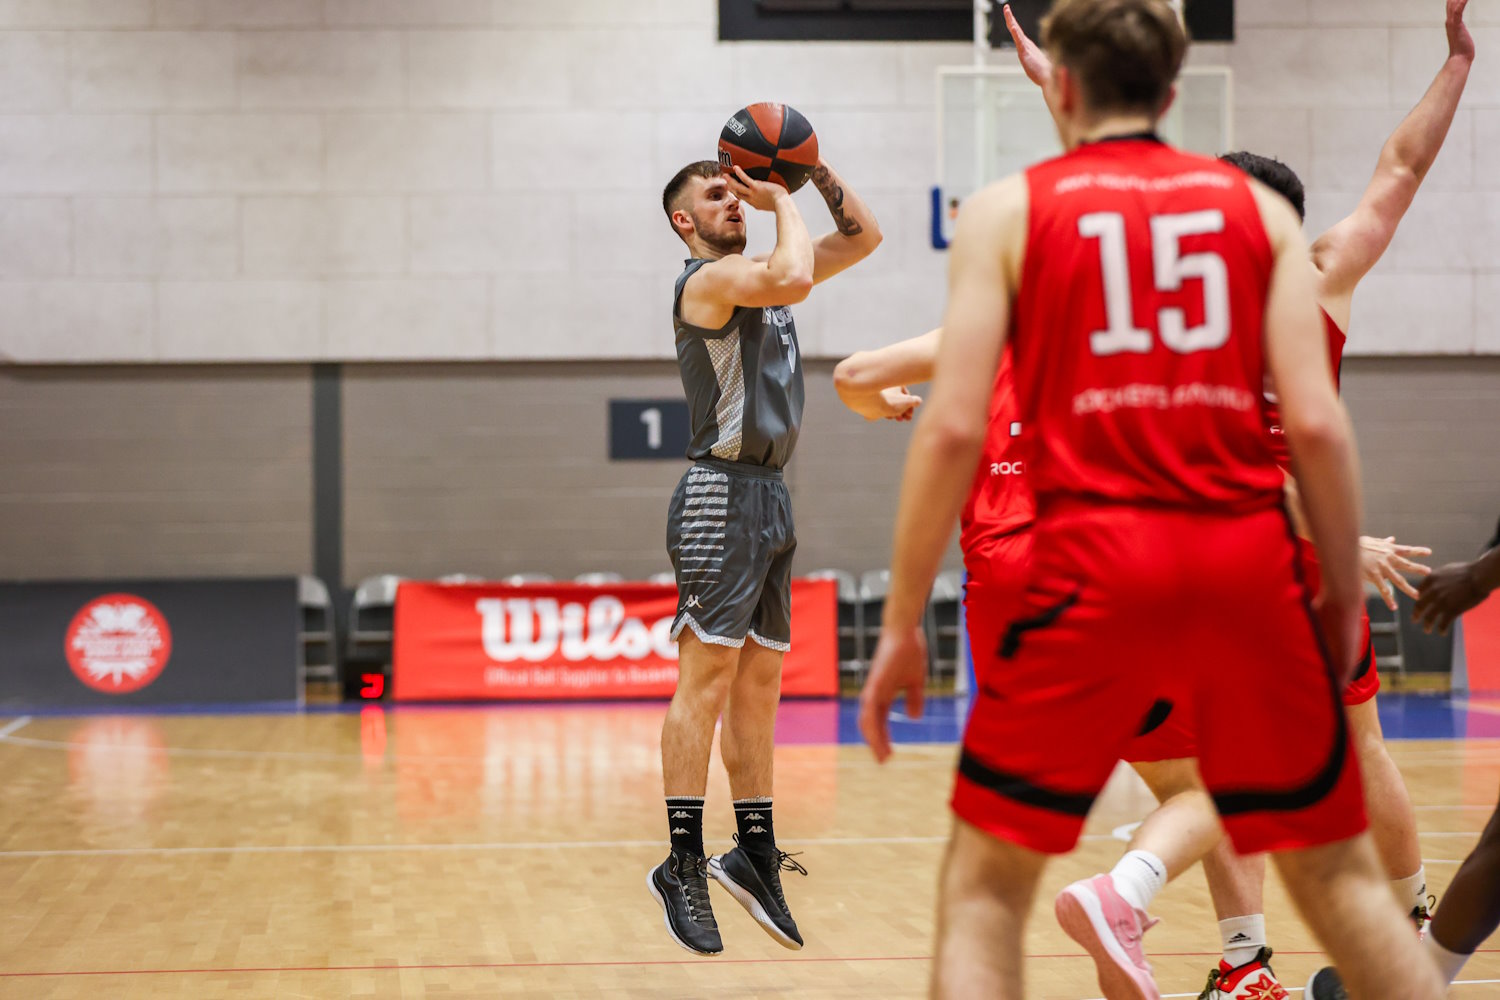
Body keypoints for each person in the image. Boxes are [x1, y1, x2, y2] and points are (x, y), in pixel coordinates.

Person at [857, 1, 1443, 997]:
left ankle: (1222, 950)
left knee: (990, 880)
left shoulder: (1049, 231)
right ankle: (1336, 939)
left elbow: (943, 424)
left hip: (1075, 563)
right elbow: (1311, 432)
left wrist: (903, 618)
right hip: (1226, 559)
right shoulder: (1270, 259)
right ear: (1173, 93)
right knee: (1311, 823)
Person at [648, 155, 881, 955]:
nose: (733, 201)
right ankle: (681, 861)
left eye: (736, 190)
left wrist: (815, 169)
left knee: (760, 684)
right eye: (715, 195)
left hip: (771, 495)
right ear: (684, 221)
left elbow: (865, 237)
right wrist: (781, 196)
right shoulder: (707, 282)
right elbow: (795, 273)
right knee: (706, 678)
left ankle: (752, 849)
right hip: (719, 491)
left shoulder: (766, 278)